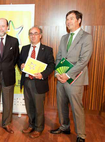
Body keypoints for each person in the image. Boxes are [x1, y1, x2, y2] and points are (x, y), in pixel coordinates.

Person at [50, 10, 93, 142]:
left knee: (76, 107)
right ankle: (64, 127)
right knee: (61, 104)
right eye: (67, 19)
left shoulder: (86, 37)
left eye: (71, 19)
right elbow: (59, 57)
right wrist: (58, 73)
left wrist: (68, 74)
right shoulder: (64, 38)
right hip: (61, 78)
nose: (68, 21)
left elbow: (84, 60)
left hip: (76, 78)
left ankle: (81, 135)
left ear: (79, 20)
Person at [18, 26, 55, 138]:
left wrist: (43, 75)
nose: (33, 36)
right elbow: (19, 60)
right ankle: (31, 125)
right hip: (27, 81)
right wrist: (21, 65)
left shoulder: (47, 50)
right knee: (29, 106)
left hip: (39, 82)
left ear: (40, 35)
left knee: (38, 107)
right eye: (31, 33)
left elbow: (52, 65)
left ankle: (39, 128)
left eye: (35, 33)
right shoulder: (24, 48)